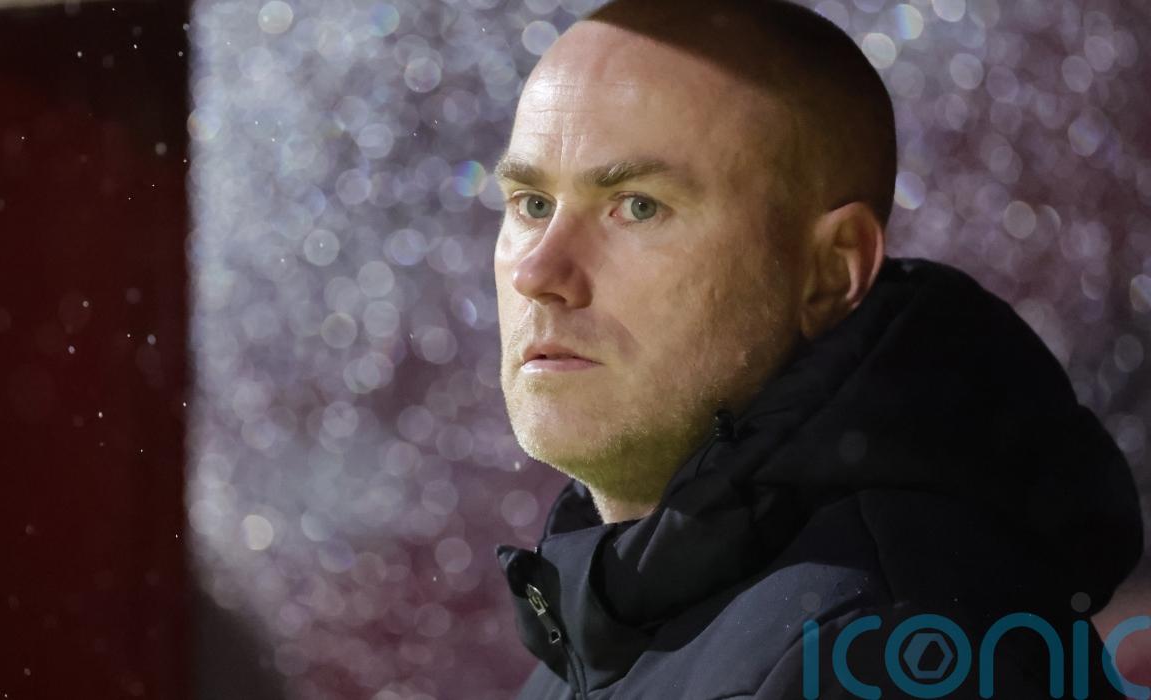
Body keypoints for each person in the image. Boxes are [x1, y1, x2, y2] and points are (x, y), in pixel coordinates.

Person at [489, 0, 1143, 698]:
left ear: (832, 271)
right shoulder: (600, 636)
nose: (538, 273)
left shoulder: (881, 651)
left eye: (638, 206)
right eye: (532, 204)